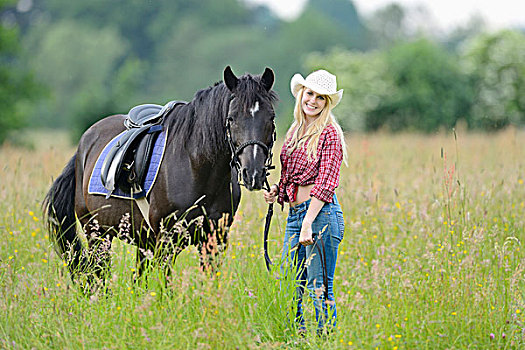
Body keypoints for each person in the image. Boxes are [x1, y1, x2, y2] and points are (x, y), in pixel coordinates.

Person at [263, 69, 346, 334]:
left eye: (321, 98)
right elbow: (291, 175)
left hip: (320, 217)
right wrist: (278, 190)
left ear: (327, 103)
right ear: (301, 94)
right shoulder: (295, 130)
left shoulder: (330, 134)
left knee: (318, 286)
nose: (313, 101)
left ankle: (325, 340)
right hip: (296, 216)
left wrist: (308, 222)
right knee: (290, 282)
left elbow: (325, 183)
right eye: (310, 94)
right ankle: (296, 338)